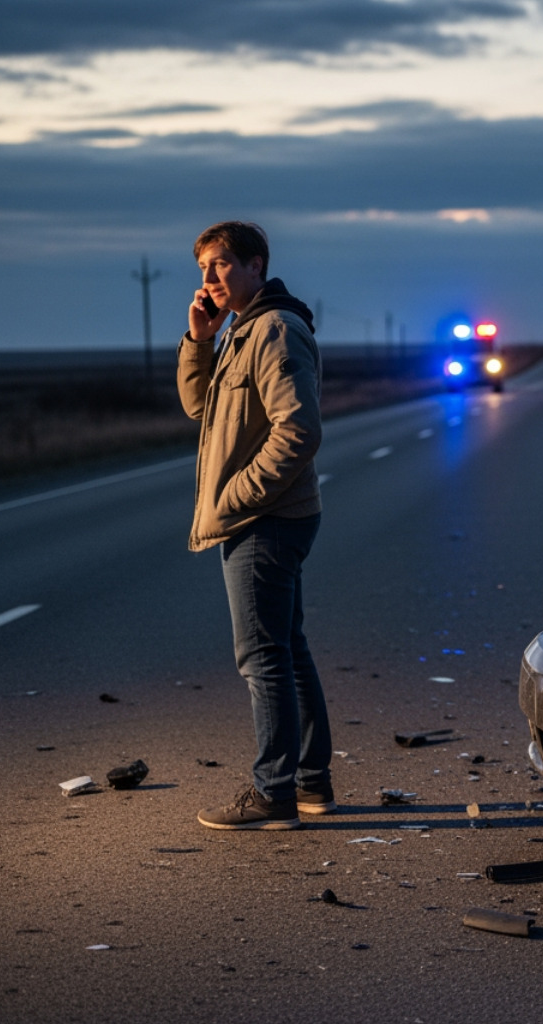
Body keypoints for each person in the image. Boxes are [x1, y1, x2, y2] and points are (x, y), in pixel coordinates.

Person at [177, 221, 333, 830]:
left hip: (267, 519)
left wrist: (238, 495)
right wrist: (200, 341)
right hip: (267, 516)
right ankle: (312, 782)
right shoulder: (242, 331)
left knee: (261, 657)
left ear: (255, 265)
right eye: (203, 271)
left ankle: (273, 794)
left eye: (219, 265)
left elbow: (300, 431)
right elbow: (199, 408)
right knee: (287, 651)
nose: (210, 280)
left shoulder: (274, 330)